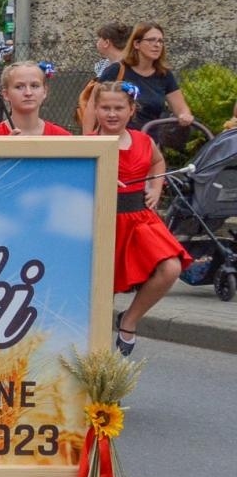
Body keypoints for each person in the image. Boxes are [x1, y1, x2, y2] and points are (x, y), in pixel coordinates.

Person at [95, 81, 190, 356]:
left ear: (131, 109)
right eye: (105, 108)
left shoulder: (143, 140)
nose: (112, 114)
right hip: (104, 220)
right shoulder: (87, 142)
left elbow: (157, 163)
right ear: (96, 109)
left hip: (139, 218)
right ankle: (97, 354)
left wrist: (155, 187)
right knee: (103, 289)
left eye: (118, 108)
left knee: (170, 267)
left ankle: (129, 320)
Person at [96, 22, 194, 131]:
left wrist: (184, 116)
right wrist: (88, 141)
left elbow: (181, 109)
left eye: (160, 41)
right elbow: (92, 106)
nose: (157, 45)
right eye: (151, 40)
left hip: (150, 141)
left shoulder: (164, 75)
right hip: (119, 141)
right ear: (136, 44)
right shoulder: (116, 70)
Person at [0, 61, 72, 137]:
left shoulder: (62, 137)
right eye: (19, 87)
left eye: (34, 86)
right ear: (6, 94)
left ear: (44, 91)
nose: (28, 93)